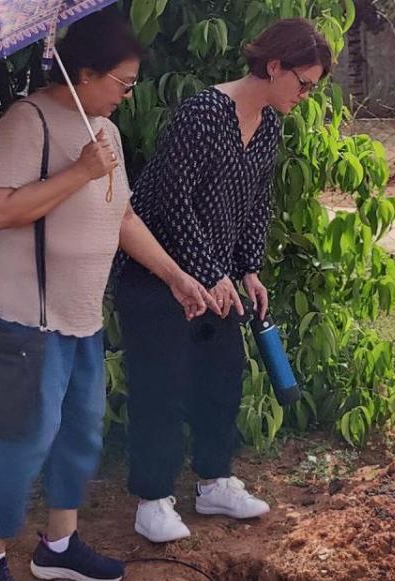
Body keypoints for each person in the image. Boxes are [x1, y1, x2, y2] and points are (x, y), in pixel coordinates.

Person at [0, 9, 216, 581]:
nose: (126, 95)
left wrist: (176, 276)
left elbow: (119, 216)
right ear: (84, 72)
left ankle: (58, 547)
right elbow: (3, 211)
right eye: (121, 82)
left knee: (80, 433)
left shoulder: (106, 132)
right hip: (25, 319)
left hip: (80, 317)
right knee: (23, 438)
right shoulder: (27, 121)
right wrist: (78, 172)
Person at [116, 19, 332, 543]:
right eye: (303, 84)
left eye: (313, 89)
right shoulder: (204, 113)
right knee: (161, 385)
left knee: (222, 376)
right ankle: (153, 500)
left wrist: (247, 269)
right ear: (274, 65)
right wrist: (208, 271)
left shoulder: (270, 125)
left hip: (218, 279)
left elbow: (255, 205)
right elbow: (171, 202)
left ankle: (214, 482)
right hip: (156, 274)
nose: (305, 96)